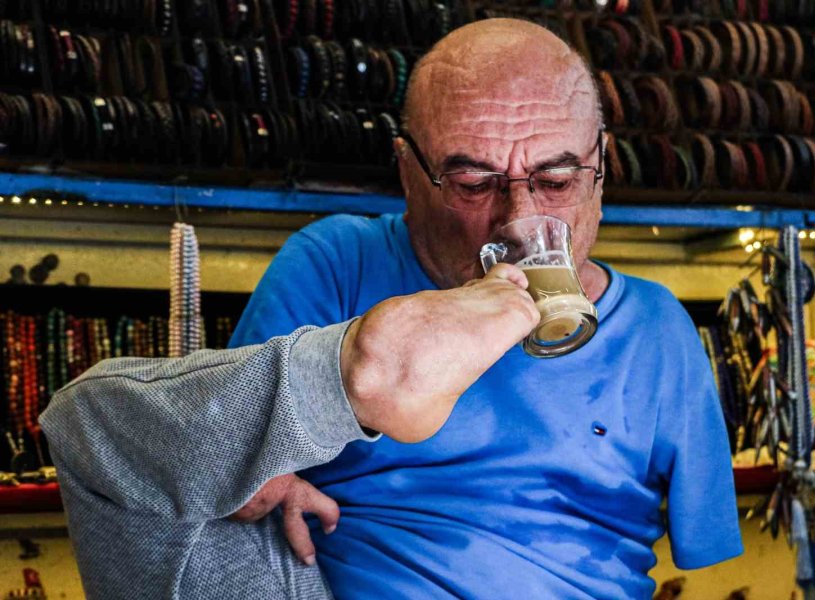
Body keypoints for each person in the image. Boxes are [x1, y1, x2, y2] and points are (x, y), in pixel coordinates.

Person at [40, 18, 742, 600]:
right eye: (473, 182)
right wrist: (321, 406)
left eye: (556, 179)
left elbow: (700, 551)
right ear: (409, 172)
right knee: (96, 427)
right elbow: (206, 458)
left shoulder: (658, 329)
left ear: (601, 168)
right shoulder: (336, 262)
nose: (517, 218)